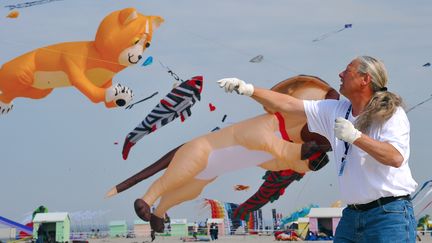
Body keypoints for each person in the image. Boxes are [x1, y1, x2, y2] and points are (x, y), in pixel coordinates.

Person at [217, 56, 418, 242]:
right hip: (352, 215)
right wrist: (248, 89)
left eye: (347, 71)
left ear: (365, 79)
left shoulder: (391, 115)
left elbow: (395, 157)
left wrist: (356, 137)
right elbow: (288, 104)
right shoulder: (336, 110)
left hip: (389, 214)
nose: (340, 74)